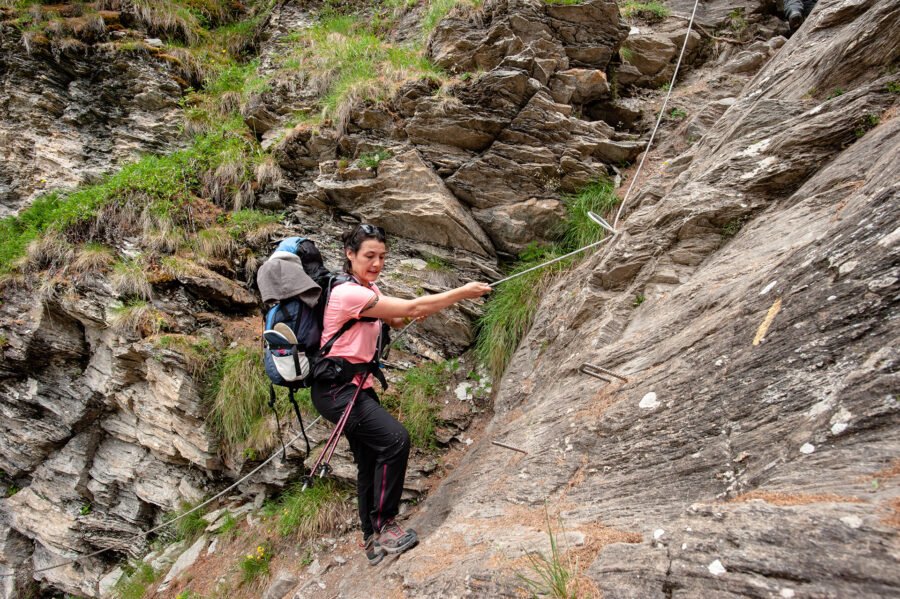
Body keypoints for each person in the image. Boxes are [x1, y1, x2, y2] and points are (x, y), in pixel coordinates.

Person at [311, 223, 492, 565]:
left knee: (369, 461)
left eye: (382, 256)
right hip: (337, 392)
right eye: (369, 256)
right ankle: (385, 525)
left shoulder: (365, 287)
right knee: (395, 440)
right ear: (350, 255)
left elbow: (397, 317)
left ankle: (371, 538)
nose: (377, 262)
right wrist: (461, 293)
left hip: (352, 390)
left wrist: (407, 315)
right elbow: (407, 309)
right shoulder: (349, 293)